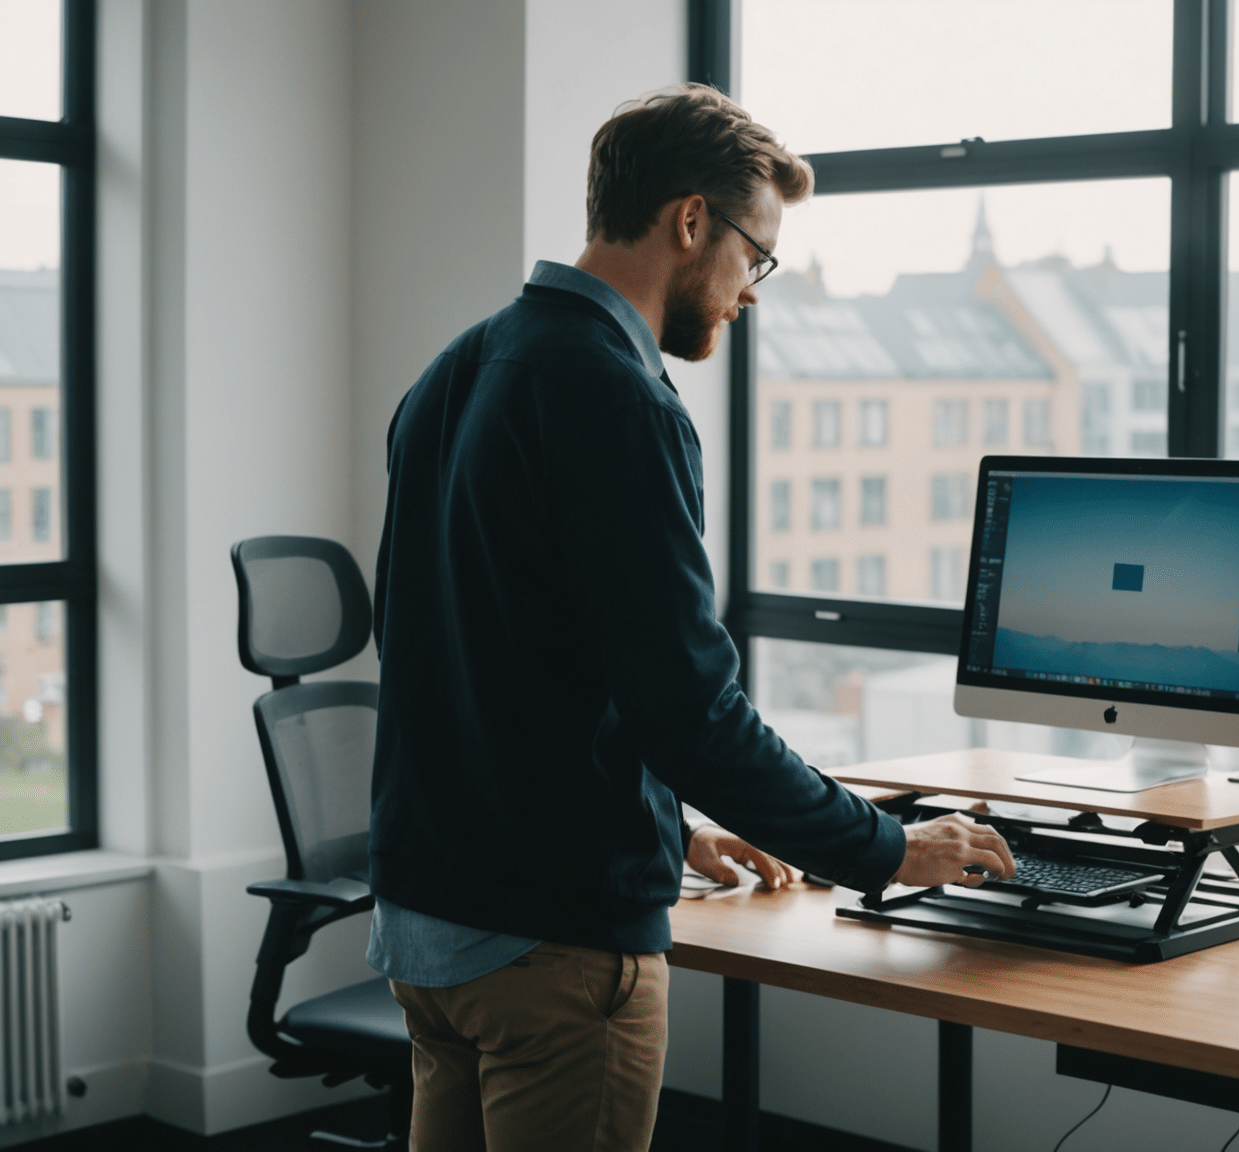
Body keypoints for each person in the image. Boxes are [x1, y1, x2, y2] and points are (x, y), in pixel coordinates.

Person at [365, 84, 1016, 1152]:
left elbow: (466, 659)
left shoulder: (456, 369)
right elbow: (690, 712)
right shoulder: (618, 397)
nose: (751, 290)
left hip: (430, 927)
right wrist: (890, 849)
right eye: (755, 256)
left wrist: (667, 826)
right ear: (689, 221)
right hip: (553, 948)